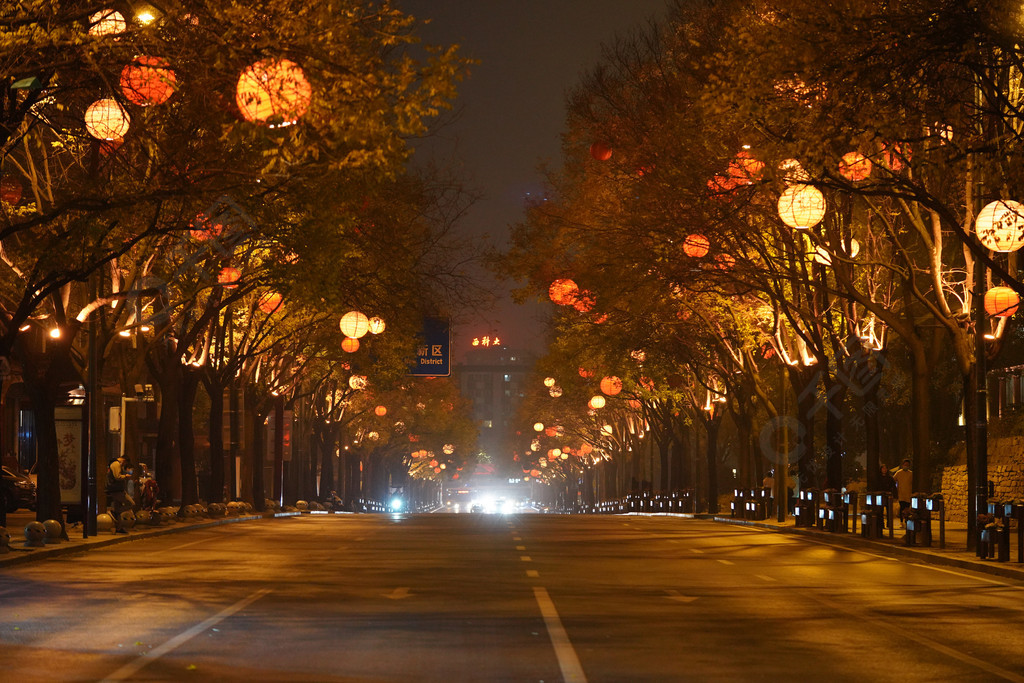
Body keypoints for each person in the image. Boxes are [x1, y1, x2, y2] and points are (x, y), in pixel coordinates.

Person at [105, 454, 134, 533]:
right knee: (130, 503)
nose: (124, 465)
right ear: (124, 460)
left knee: (118, 507)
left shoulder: (115, 464)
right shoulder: (116, 464)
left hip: (117, 489)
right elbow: (117, 476)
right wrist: (125, 476)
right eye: (125, 464)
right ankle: (114, 513)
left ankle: (119, 527)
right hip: (116, 490)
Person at [892, 459, 913, 528]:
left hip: (908, 494)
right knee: (902, 508)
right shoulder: (898, 473)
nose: (906, 466)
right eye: (905, 465)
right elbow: (893, 480)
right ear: (902, 465)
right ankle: (901, 522)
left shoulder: (911, 474)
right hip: (901, 494)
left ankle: (906, 521)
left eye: (907, 465)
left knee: (907, 509)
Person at [878, 464, 898, 528]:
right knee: (880, 511)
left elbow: (894, 487)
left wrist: (895, 495)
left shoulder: (890, 478)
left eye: (885, 468)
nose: (884, 470)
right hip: (880, 496)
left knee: (889, 511)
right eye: (883, 468)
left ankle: (889, 524)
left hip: (888, 496)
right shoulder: (878, 478)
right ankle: (881, 524)